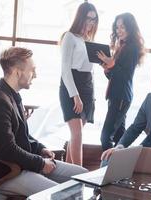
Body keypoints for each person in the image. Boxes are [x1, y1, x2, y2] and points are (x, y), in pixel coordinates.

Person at [0, 47, 87, 196]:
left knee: (84, 176)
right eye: (32, 70)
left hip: (22, 166)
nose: (35, 75)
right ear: (17, 72)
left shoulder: (12, 95)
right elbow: (7, 150)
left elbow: (22, 135)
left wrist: (40, 149)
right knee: (63, 195)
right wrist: (40, 163)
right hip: (7, 174)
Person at [97, 12, 145, 151]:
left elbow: (125, 76)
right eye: (117, 27)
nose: (119, 31)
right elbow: (116, 75)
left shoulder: (132, 47)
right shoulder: (122, 45)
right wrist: (107, 68)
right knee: (119, 137)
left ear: (130, 28)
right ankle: (120, 170)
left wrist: (112, 65)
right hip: (117, 96)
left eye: (123, 27)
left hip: (121, 97)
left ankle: (107, 168)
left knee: (105, 137)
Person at [59, 2, 99, 166]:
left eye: (94, 20)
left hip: (87, 87)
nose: (90, 23)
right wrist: (75, 96)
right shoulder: (69, 36)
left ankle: (66, 177)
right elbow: (65, 70)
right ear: (80, 17)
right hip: (72, 87)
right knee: (77, 134)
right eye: (88, 19)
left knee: (75, 135)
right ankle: (79, 176)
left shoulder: (89, 40)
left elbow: (90, 70)